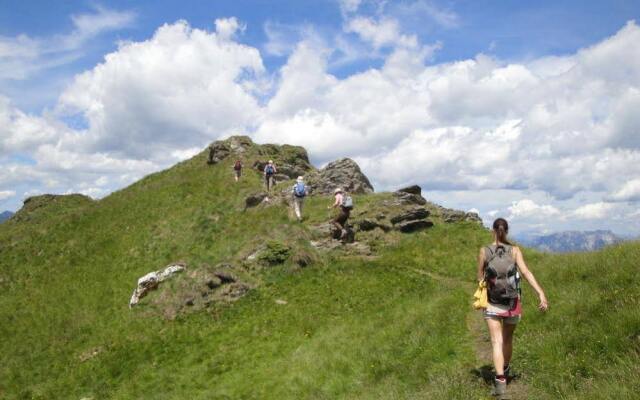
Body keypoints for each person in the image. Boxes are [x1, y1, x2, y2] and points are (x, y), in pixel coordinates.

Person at [476, 218, 548, 398]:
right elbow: (526, 272)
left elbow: (479, 277)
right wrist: (540, 293)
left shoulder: (484, 251)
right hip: (512, 302)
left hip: (492, 302)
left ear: (493, 230)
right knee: (507, 339)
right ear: (506, 231)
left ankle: (500, 382)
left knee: (496, 342)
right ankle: (505, 370)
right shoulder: (515, 251)